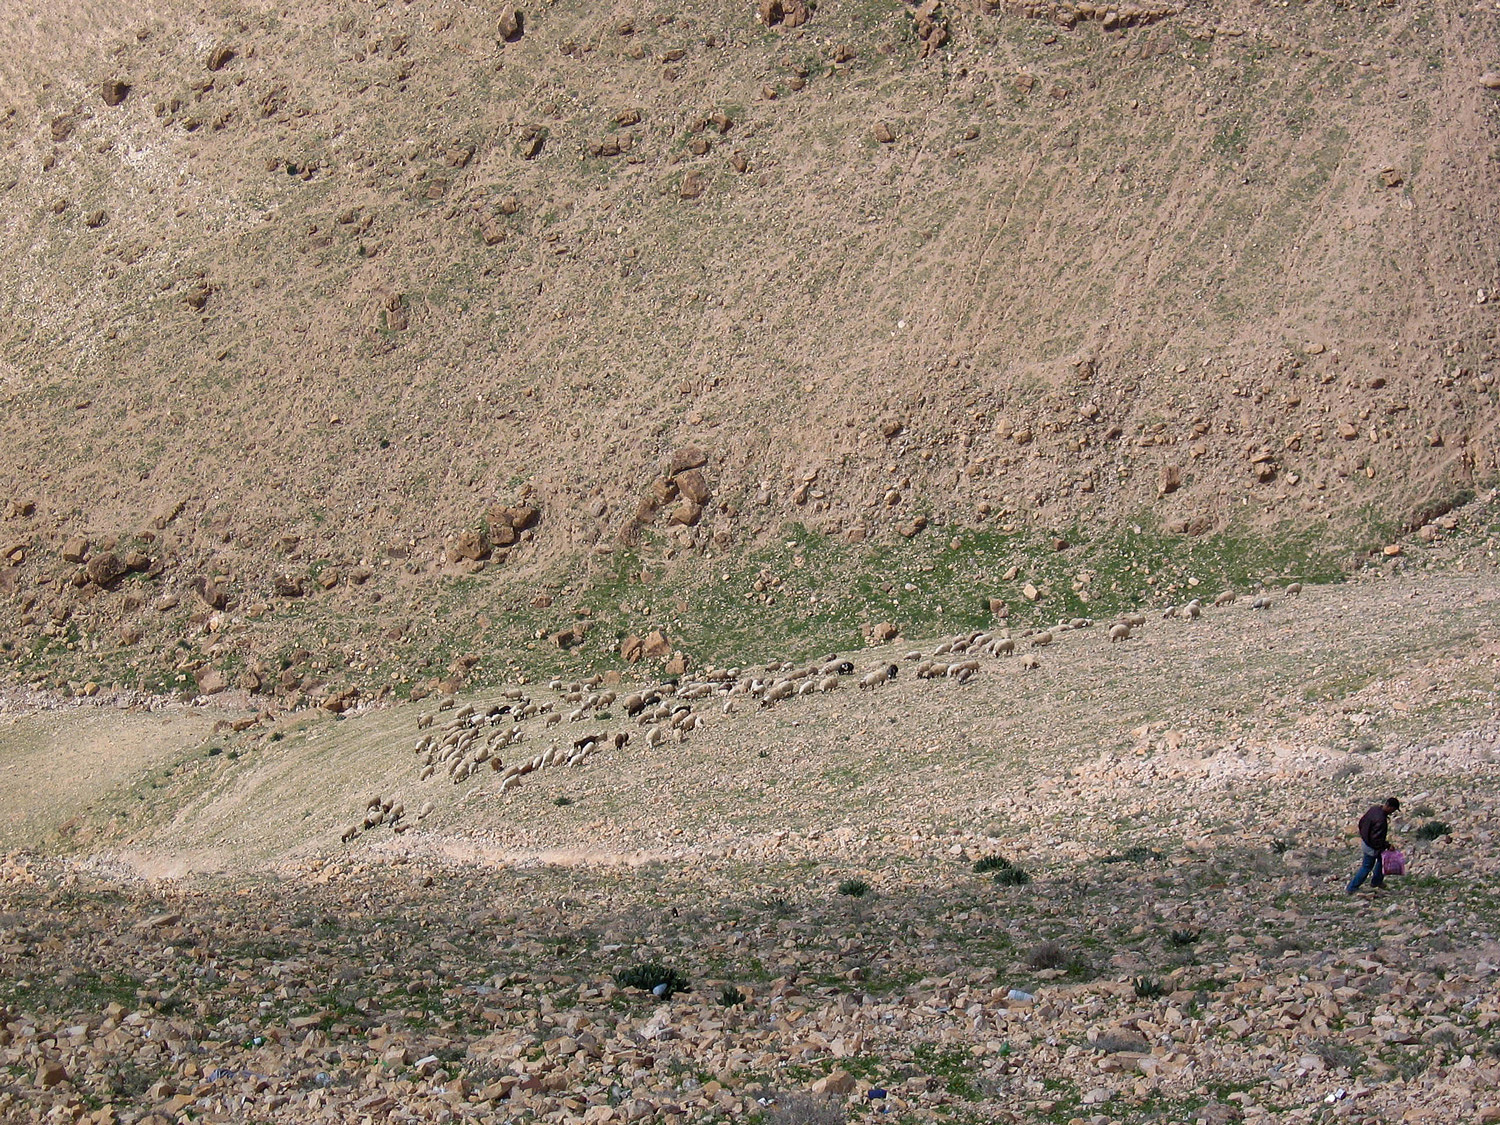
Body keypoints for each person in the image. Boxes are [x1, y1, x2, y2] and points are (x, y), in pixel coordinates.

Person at [1346, 797, 1400, 894]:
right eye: (1393, 810)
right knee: (1366, 867)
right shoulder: (1381, 820)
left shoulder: (1374, 809)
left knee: (1381, 860)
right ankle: (1352, 887)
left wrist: (1364, 835)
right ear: (1390, 807)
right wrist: (1387, 846)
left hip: (1365, 841)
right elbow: (1377, 840)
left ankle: (1377, 881)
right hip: (1372, 847)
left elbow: (1361, 822)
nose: (1392, 812)